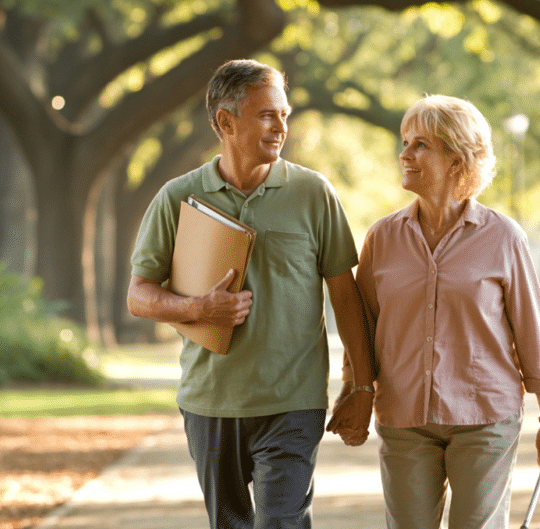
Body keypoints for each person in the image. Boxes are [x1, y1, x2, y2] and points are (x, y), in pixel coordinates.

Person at [127, 59, 373, 528]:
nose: (281, 126)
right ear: (226, 121)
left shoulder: (312, 193)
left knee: (281, 523)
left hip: (293, 402)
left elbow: (346, 297)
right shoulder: (177, 197)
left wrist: (362, 386)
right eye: (267, 115)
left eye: (284, 114)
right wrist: (198, 308)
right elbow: (138, 296)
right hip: (210, 402)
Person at [329, 95, 540, 528]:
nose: (405, 153)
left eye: (420, 144)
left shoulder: (503, 238)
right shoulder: (382, 238)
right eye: (405, 142)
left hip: (484, 417)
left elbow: (532, 332)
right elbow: (361, 329)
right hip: (403, 415)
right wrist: (355, 390)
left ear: (457, 161)